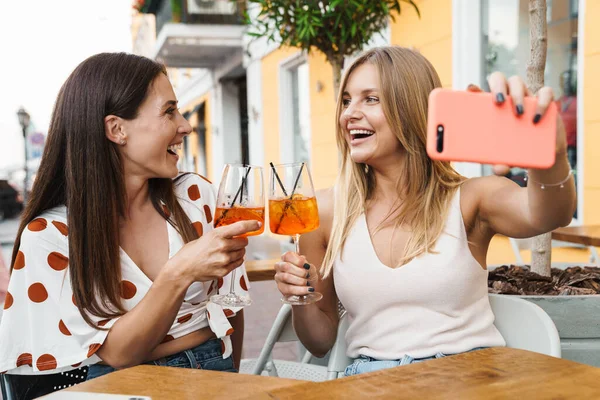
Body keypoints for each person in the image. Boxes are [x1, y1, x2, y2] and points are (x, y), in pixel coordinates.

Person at [273, 46, 576, 376]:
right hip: (370, 383)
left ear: (410, 107)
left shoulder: (471, 199)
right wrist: (299, 297)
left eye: (370, 99)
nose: (349, 114)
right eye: (346, 100)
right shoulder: (326, 211)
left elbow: (547, 215)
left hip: (466, 379)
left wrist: (551, 154)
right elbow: (320, 340)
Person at [0, 53, 259, 396]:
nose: (185, 125)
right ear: (117, 129)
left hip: (213, 369)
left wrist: (230, 383)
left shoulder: (197, 195)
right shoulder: (50, 237)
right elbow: (119, 353)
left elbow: (230, 307)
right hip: (114, 388)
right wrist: (179, 272)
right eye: (169, 111)